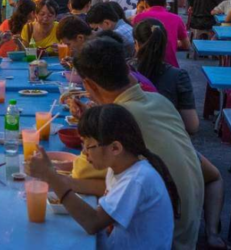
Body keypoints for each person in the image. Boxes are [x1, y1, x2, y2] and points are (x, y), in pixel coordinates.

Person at [66, 37, 204, 250]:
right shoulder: (159, 101)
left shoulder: (122, 119)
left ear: (89, 85)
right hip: (187, 232)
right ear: (127, 68)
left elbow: (81, 174)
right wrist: (95, 122)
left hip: (163, 241)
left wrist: (55, 179)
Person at [26, 104, 177, 249]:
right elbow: (103, 190)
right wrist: (58, 179)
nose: (84, 152)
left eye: (88, 146)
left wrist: (53, 178)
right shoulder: (119, 167)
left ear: (115, 148)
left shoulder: (137, 180)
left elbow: (92, 223)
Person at [132, 19, 198, 134]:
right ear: (165, 44)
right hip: (167, 140)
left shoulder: (124, 72)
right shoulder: (179, 76)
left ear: (136, 44)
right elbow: (192, 126)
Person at [133, 0, 190, 67]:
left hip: (143, 66)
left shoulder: (138, 18)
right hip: (170, 66)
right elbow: (186, 45)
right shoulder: (176, 19)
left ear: (145, 4)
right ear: (165, 4)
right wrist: (174, 42)